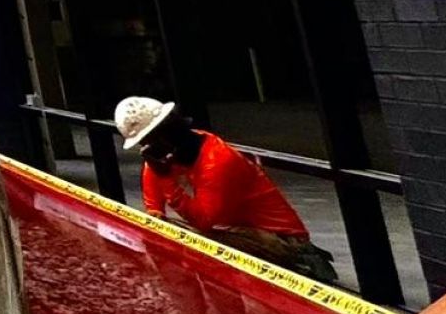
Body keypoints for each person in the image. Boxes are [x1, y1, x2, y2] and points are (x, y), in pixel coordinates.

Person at [116, 97, 339, 283]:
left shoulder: (217, 161)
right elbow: (152, 183)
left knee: (191, 246)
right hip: (240, 231)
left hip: (283, 242)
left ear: (163, 137)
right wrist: (155, 214)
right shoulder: (174, 151)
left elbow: (204, 220)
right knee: (164, 235)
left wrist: (166, 180)